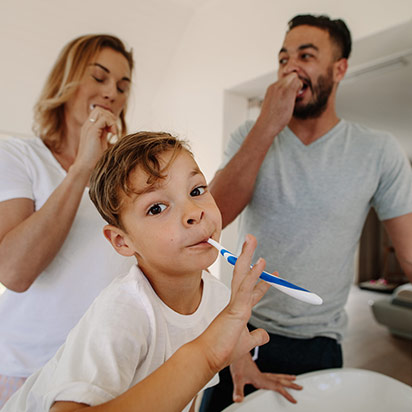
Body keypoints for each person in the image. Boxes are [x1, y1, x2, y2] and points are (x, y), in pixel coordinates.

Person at [200, 14, 412, 411]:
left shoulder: (378, 151)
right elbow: (214, 216)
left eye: (306, 55)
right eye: (284, 58)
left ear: (339, 68)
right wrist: (266, 124)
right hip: (240, 331)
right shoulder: (249, 135)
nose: (291, 66)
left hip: (318, 344)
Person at [2, 132, 302, 412]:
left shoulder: (219, 300)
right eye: (157, 208)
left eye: (197, 190)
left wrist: (241, 362)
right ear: (122, 241)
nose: (194, 212)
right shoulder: (123, 313)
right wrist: (207, 356)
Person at [0, 34, 135, 406]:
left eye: (123, 86)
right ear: (68, 80)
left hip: (103, 370)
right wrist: (81, 169)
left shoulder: (125, 177)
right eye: (99, 77)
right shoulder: (18, 156)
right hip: (24, 367)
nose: (112, 92)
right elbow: (14, 271)